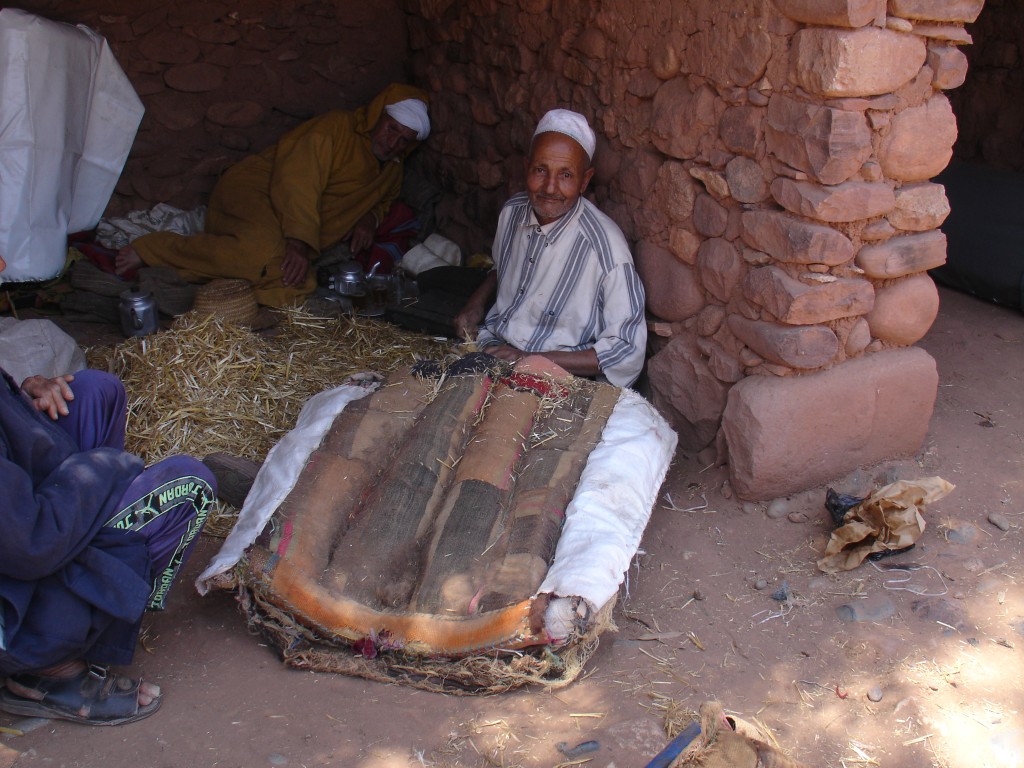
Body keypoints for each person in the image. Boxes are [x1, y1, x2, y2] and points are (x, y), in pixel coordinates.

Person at [0, 253, 217, 725]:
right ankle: (45, 664)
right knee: (189, 486)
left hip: (22, 512)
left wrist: (23, 392)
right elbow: (29, 544)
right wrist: (102, 470)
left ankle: (88, 590)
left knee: (94, 392)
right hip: (22, 560)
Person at [114, 83, 431, 307]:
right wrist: (298, 243)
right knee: (260, 256)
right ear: (378, 116)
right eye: (391, 129)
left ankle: (241, 288)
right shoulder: (334, 130)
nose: (393, 143)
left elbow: (384, 200)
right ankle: (156, 249)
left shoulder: (392, 169)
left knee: (293, 278)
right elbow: (297, 183)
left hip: (294, 224)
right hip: (256, 192)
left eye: (404, 140)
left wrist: (369, 218)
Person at [454, 109, 646, 388]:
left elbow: (626, 351)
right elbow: (502, 266)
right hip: (492, 349)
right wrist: (476, 303)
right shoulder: (512, 213)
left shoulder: (606, 250)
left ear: (585, 180)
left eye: (566, 175)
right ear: (526, 167)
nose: (550, 187)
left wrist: (528, 358)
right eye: (540, 170)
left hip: (556, 377)